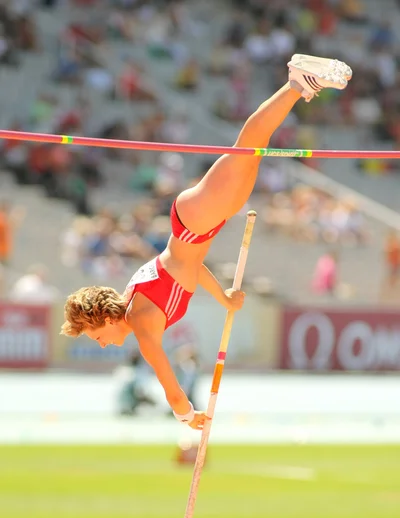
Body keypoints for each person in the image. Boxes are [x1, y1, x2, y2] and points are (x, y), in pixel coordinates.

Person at [61, 54, 352, 430]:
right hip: (198, 226)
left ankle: (298, 82)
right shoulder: (136, 304)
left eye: (96, 336)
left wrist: (186, 415)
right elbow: (191, 270)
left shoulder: (143, 323)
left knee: (248, 146)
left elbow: (170, 386)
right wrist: (224, 298)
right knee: (252, 152)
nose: (101, 344)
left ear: (103, 319)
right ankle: (299, 85)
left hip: (194, 224)